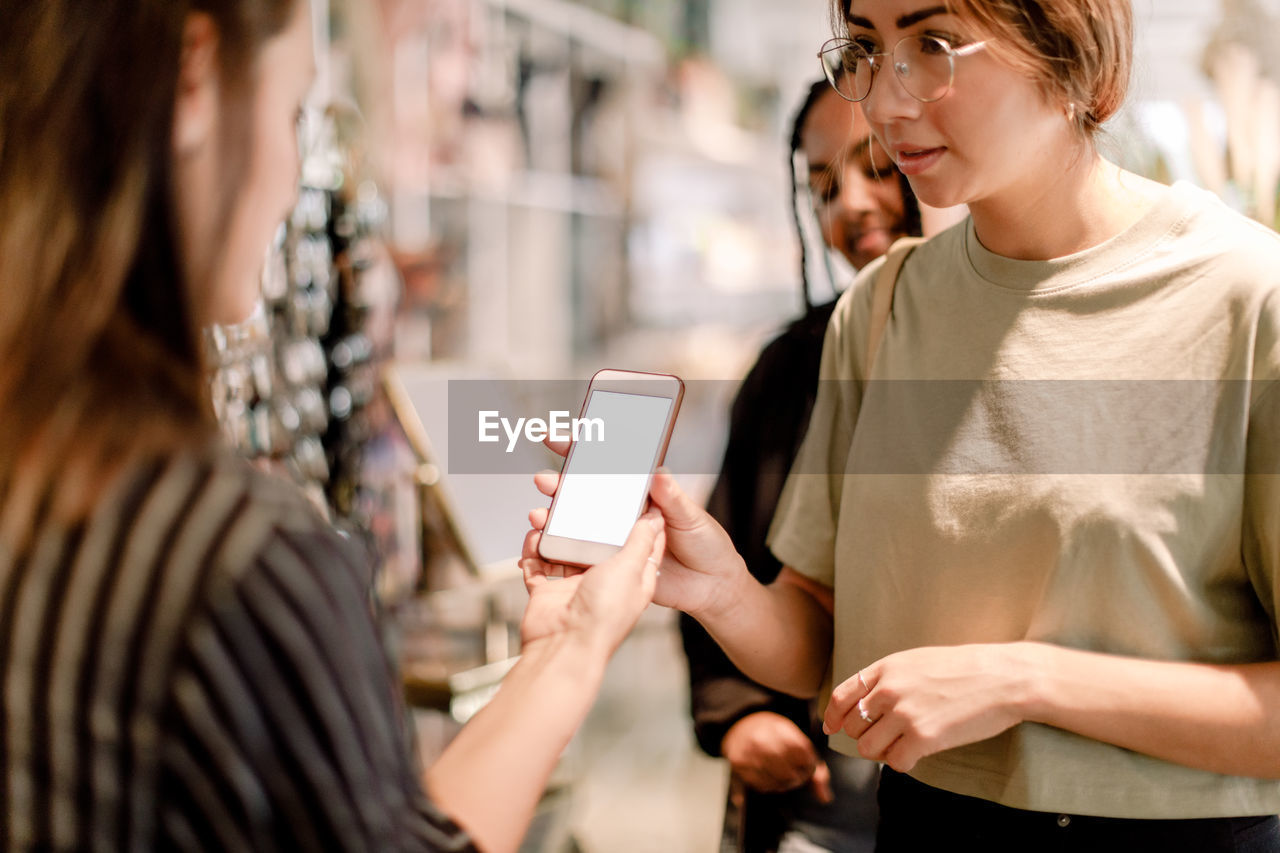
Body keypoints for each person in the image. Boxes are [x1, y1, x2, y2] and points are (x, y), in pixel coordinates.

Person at [527, 0, 1280, 849]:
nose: (884, 103)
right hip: (925, 825)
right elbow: (819, 645)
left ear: (1071, 52)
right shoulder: (881, 309)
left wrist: (1023, 679)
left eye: (932, 45)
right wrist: (718, 588)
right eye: (869, 49)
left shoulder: (1247, 300)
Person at [0, 1, 662, 850]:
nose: (290, 177)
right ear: (194, 77)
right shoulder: (232, 558)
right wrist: (576, 647)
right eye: (292, 116)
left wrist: (565, 646)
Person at [678, 78, 920, 853]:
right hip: (821, 801)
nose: (848, 205)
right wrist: (739, 713)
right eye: (821, 186)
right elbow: (743, 564)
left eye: (877, 166)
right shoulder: (791, 366)